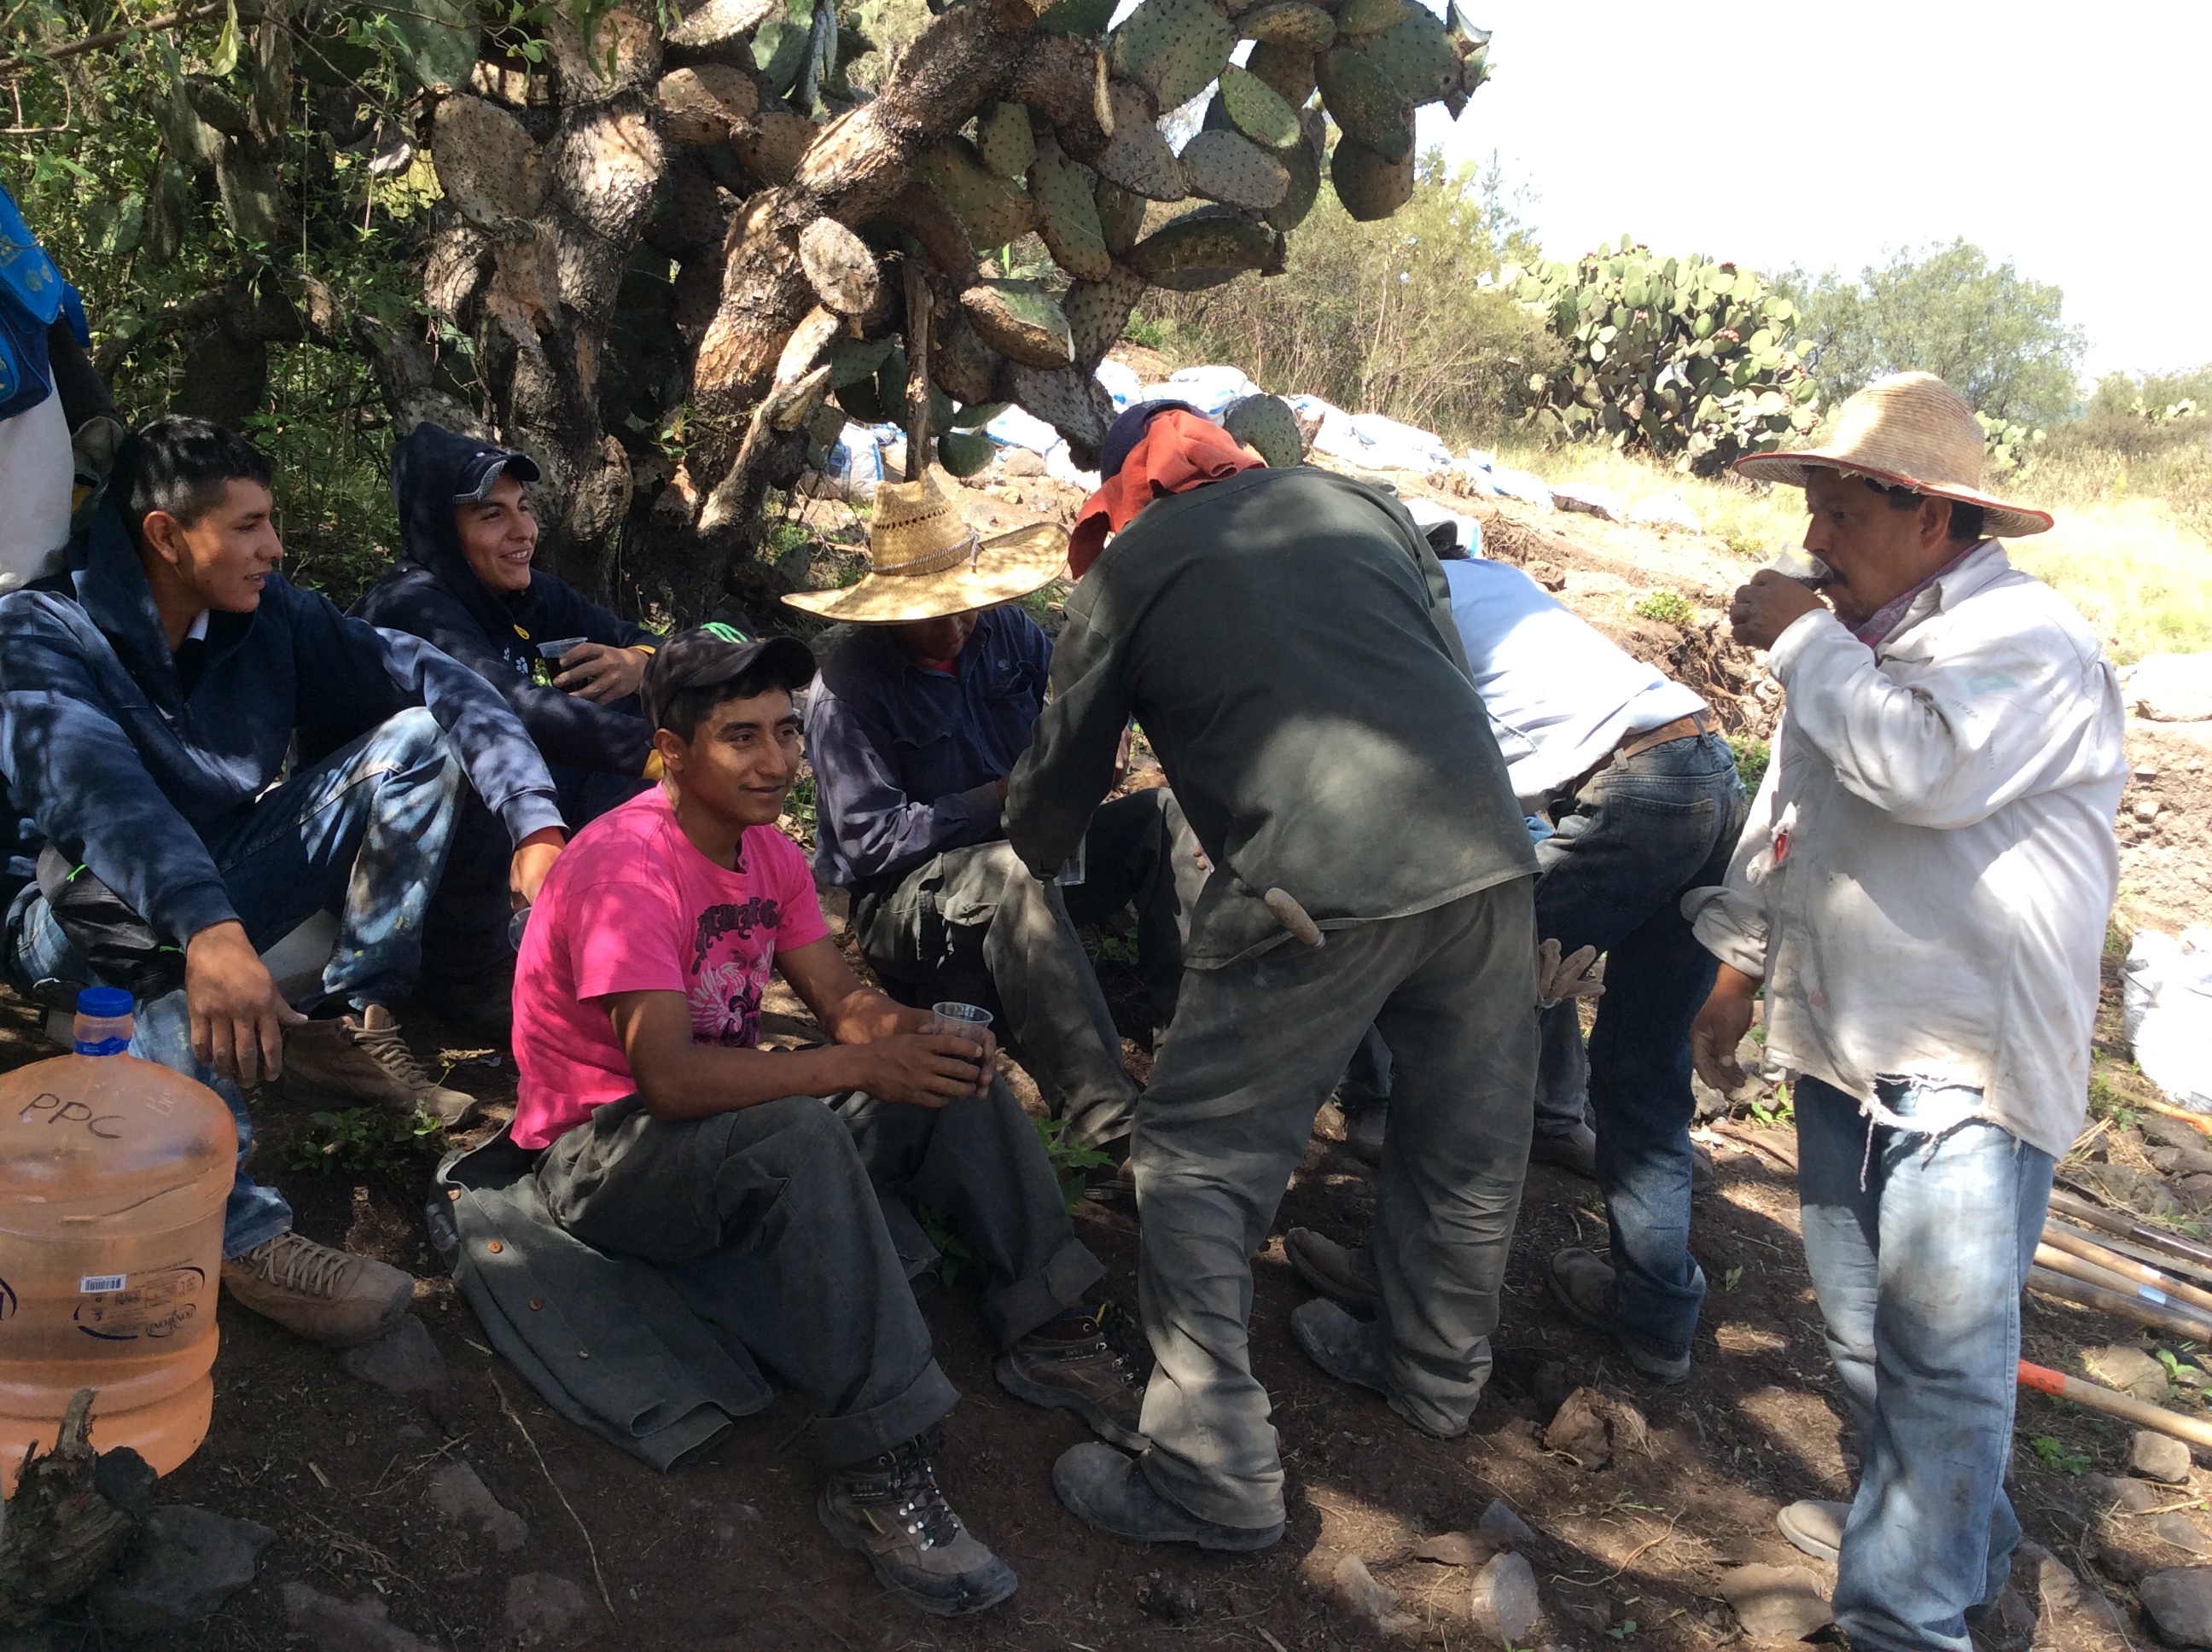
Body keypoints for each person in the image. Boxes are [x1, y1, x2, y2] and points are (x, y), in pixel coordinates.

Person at [508, 626, 1144, 1618]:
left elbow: (843, 1002)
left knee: (947, 1072)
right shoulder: (627, 868)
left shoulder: (765, 850)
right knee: (803, 1127)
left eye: (783, 734)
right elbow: (669, 1081)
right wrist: (855, 1063)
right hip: (602, 1153)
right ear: (674, 753)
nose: (776, 763)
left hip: (705, 1129)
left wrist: (914, 1036)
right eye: (741, 739)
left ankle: (1052, 1324)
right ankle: (880, 1465)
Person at [1005, 401, 1540, 1550]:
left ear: (1125, 496)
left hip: (1312, 888)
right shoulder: (1367, 505)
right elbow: (1444, 674)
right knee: (1466, 1142)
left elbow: (1060, 788)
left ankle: (1211, 1478)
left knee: (1198, 1164)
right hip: (1488, 861)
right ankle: (1432, 1375)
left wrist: (1033, 857)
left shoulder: (1131, 570)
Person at [1685, 373, 2125, 1652]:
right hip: (1846, 1048)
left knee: (1937, 1362)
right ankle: (1954, 1539)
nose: (1815, 538)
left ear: (1930, 515)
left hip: (1964, 1074)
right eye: (1813, 508)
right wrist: (1734, 968)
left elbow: (1922, 771)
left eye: (1838, 510)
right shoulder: (1862, 642)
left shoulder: (2029, 645)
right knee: (1869, 1340)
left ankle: (1902, 1621)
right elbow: (1795, 815)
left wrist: (1801, 641)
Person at [0, 416, 569, 1348]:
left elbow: (434, 677)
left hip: (217, 869)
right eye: (249, 525)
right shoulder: (38, 633)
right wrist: (212, 933)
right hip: (67, 915)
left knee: (418, 741)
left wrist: (535, 821)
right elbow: (103, 804)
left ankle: (345, 1022)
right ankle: (241, 1234)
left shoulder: (268, 615)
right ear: (166, 536)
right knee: (140, 932)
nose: (274, 547)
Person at [1285, 532, 1746, 1383]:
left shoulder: (1406, 612)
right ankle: (1655, 1317)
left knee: (1459, 1026)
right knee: (1644, 1066)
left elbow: (1397, 790)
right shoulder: (1491, 580)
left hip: (1635, 789)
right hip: (1707, 771)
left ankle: (1408, 1307)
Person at [790, 464, 1201, 1154]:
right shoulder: (850, 692)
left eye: (966, 602)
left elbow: (1077, 690)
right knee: (1013, 874)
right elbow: (870, 846)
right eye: (935, 612)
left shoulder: (1006, 633)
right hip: (907, 899)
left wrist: (1104, 737)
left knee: (1163, 821)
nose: (958, 622)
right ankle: (1108, 1124)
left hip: (1030, 842)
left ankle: (1191, 1064)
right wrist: (996, 800)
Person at [356, 423, 658, 1029]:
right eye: (492, 515)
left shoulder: (523, 594)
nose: (523, 532)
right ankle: (466, 975)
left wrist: (638, 663)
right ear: (442, 530)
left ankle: (600, 922)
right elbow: (506, 707)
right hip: (391, 846)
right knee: (483, 745)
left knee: (634, 704)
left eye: (524, 509)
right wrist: (664, 758)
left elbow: (640, 640)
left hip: (496, 827)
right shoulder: (413, 605)